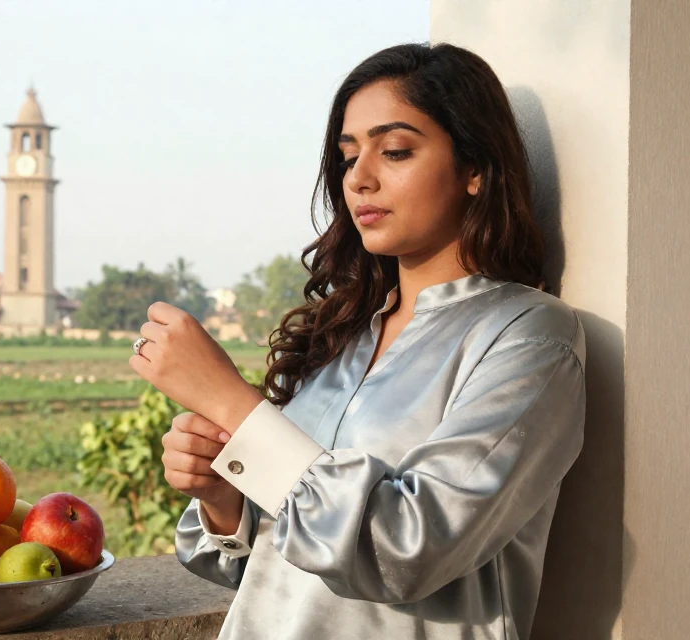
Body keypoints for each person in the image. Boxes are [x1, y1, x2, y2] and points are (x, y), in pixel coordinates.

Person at [128, 42, 586, 640]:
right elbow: (273, 565)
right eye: (348, 157)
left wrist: (230, 403)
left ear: (475, 168)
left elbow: (406, 551)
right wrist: (224, 498)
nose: (360, 178)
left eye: (395, 151)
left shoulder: (530, 337)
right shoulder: (341, 334)